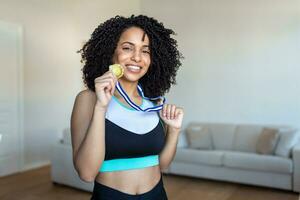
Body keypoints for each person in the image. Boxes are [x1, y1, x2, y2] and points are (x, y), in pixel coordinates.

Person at [71, 15, 184, 200]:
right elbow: (86, 173)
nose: (137, 57)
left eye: (145, 51)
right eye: (127, 48)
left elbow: (162, 165)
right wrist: (101, 107)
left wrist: (174, 130)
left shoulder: (153, 103)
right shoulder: (88, 99)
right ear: (111, 52)